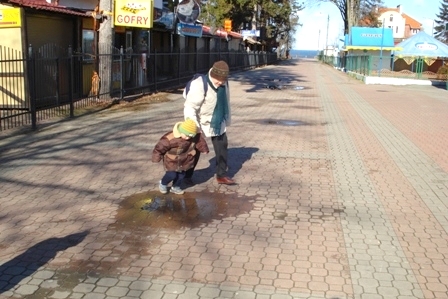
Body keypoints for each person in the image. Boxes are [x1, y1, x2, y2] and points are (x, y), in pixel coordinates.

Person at [184, 60, 236, 185]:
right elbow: (190, 107)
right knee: (194, 149)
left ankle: (221, 175)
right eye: (218, 80)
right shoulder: (200, 85)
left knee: (222, 146)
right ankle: (187, 176)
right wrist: (193, 127)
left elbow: (226, 102)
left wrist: (226, 119)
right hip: (198, 119)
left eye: (223, 80)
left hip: (217, 119)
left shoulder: (224, 83)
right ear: (212, 74)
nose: (220, 83)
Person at [152, 118, 209, 194]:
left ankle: (175, 187)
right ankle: (163, 183)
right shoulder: (170, 138)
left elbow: (200, 142)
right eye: (186, 135)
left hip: (185, 159)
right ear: (181, 131)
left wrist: (204, 149)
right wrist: (156, 157)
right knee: (171, 174)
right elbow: (159, 148)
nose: (187, 138)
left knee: (181, 175)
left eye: (190, 136)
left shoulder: (193, 136)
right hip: (172, 160)